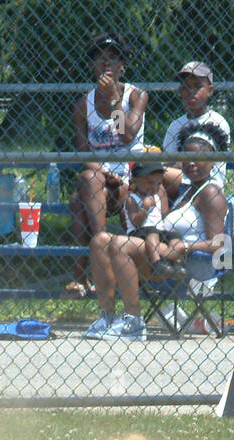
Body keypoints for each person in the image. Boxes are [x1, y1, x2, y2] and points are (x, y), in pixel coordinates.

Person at [85, 122, 230, 343]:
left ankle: (133, 321)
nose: (191, 163)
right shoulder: (187, 191)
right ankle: (108, 317)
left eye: (199, 157)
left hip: (188, 262)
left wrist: (185, 246)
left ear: (212, 160)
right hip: (161, 255)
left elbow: (219, 244)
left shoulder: (211, 193)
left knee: (118, 245)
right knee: (99, 241)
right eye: (186, 157)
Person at [64, 32, 148, 298]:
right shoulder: (83, 105)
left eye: (113, 58)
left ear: (123, 65)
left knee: (80, 199)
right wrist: (104, 172)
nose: (107, 63)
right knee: (88, 182)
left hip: (130, 178)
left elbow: (126, 135)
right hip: (99, 182)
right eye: (100, 58)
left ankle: (83, 273)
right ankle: (101, 257)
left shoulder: (136, 95)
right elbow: (83, 153)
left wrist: (113, 98)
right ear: (92, 65)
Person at [161, 61, 231, 197]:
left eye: (197, 87)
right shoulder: (175, 125)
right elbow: (168, 161)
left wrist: (175, 165)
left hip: (208, 182)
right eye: (186, 87)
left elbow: (207, 166)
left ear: (210, 90)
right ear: (181, 91)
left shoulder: (218, 122)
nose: (191, 92)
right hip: (179, 181)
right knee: (151, 175)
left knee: (159, 173)